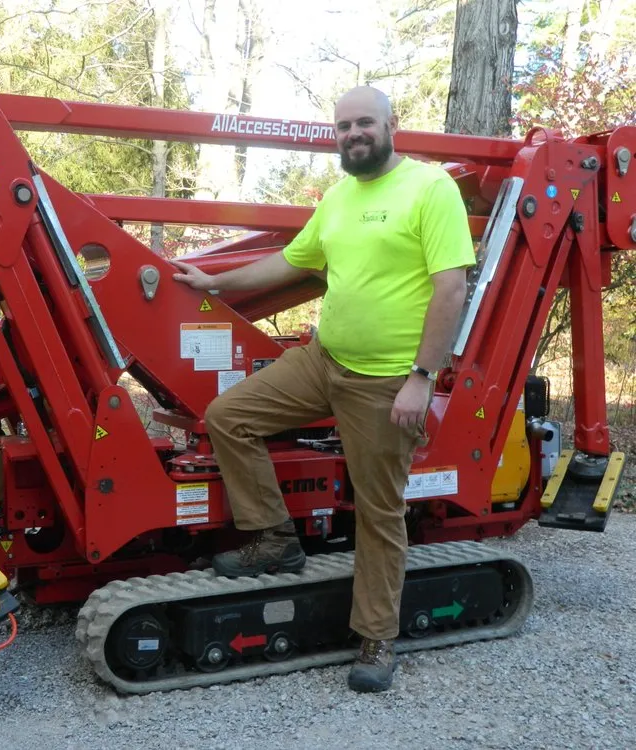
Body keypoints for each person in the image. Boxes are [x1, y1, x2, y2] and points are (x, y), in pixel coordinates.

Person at [171, 86, 475, 693]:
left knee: (378, 509)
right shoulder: (338, 197)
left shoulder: (429, 188)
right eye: (343, 126)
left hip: (386, 380)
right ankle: (276, 539)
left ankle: (376, 637)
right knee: (230, 415)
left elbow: (451, 288)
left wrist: (421, 379)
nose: (353, 134)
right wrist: (216, 281)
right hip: (323, 360)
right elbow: (291, 261)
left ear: (391, 124)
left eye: (364, 123)